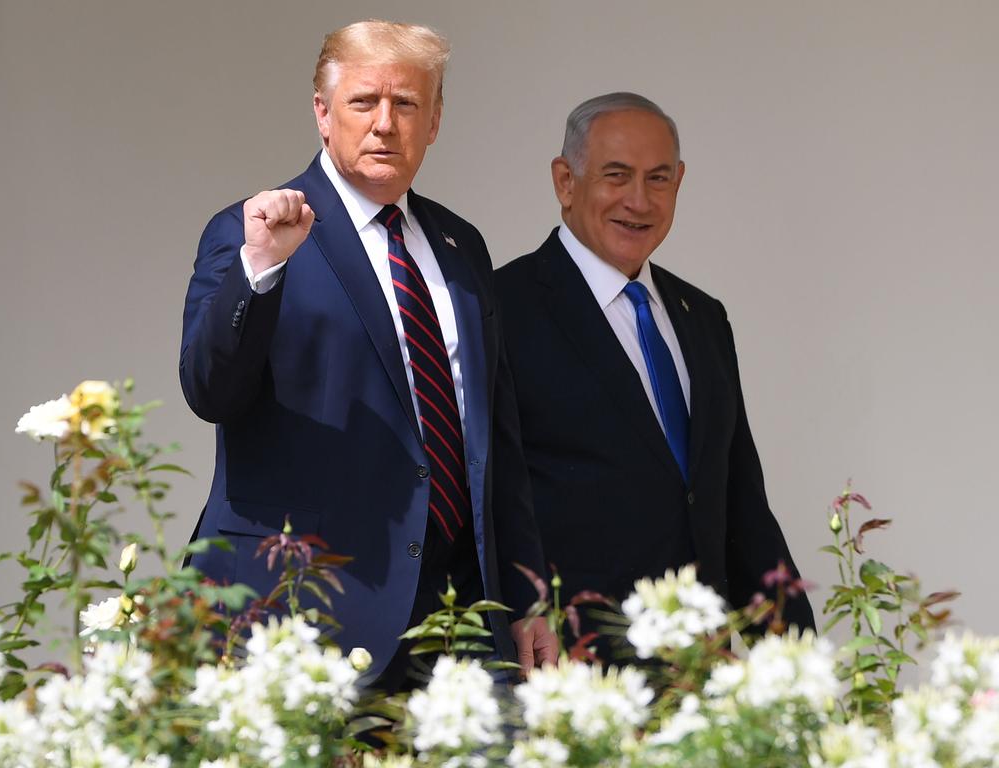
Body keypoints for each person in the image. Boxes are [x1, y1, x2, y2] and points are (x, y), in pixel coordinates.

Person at [179, 20, 556, 688]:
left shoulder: (460, 248)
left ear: (434, 121)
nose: (385, 123)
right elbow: (210, 391)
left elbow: (498, 443)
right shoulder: (256, 231)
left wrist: (526, 596)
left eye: (406, 104)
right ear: (323, 114)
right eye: (364, 102)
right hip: (304, 615)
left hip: (460, 620)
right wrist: (260, 270)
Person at [494, 92, 815, 657]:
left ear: (679, 183)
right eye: (616, 176)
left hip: (699, 672)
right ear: (565, 181)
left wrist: (796, 663)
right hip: (573, 672)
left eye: (658, 179)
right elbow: (491, 503)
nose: (638, 201)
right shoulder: (500, 310)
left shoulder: (704, 317)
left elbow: (739, 506)